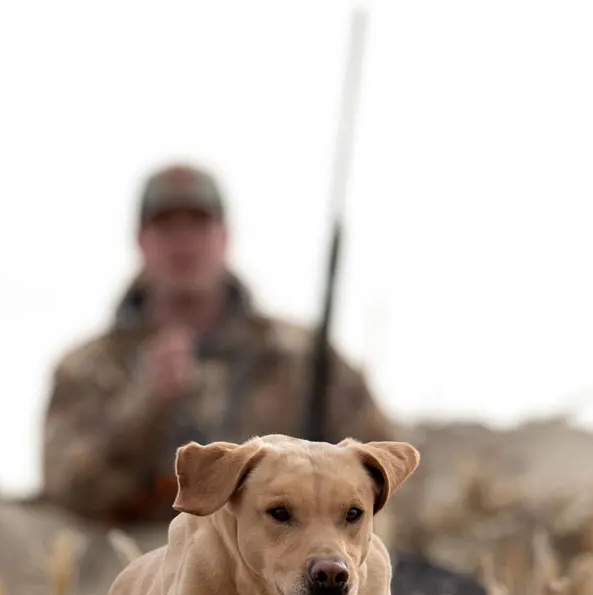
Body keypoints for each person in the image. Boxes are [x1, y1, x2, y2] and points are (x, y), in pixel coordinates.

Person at [41, 162, 399, 526]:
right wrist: (146, 405)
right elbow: (65, 494)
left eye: (198, 225)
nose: (183, 244)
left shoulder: (298, 356)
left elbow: (380, 466)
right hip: (134, 554)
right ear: (141, 240)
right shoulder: (87, 369)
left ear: (224, 236)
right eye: (166, 227)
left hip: (276, 554)